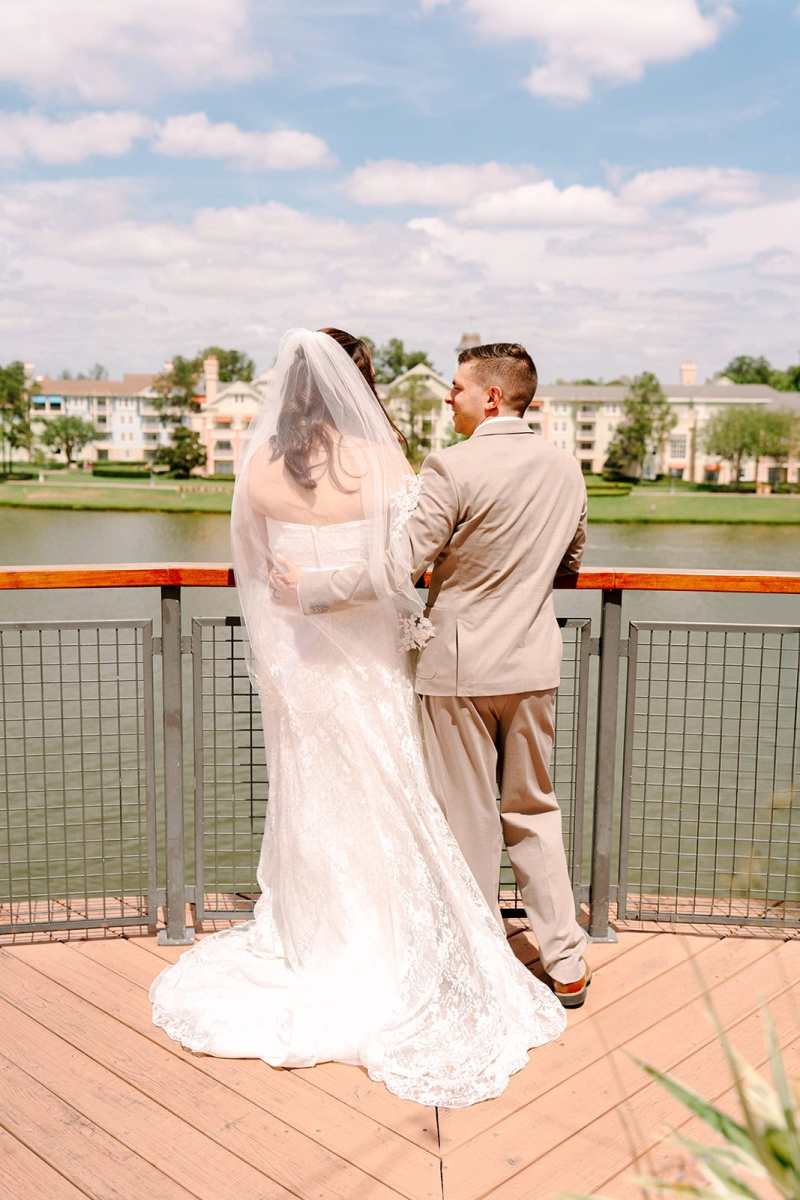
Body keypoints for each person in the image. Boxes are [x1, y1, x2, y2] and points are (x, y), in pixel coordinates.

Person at [149, 327, 567, 1109]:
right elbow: (401, 566)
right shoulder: (384, 461)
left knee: (315, 799)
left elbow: (257, 568)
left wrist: (291, 607)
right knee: (396, 797)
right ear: (359, 383)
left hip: (303, 658)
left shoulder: (264, 467)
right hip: (377, 659)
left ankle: (321, 939)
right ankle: (415, 942)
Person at [275, 341, 590, 1005]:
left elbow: (398, 568)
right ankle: (566, 962)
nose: (449, 398)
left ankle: (477, 963)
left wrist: (310, 587)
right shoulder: (566, 468)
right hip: (533, 663)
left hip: (458, 669)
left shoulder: (452, 465)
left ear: (492, 397)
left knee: (468, 821)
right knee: (534, 812)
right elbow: (572, 561)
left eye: (457, 388)